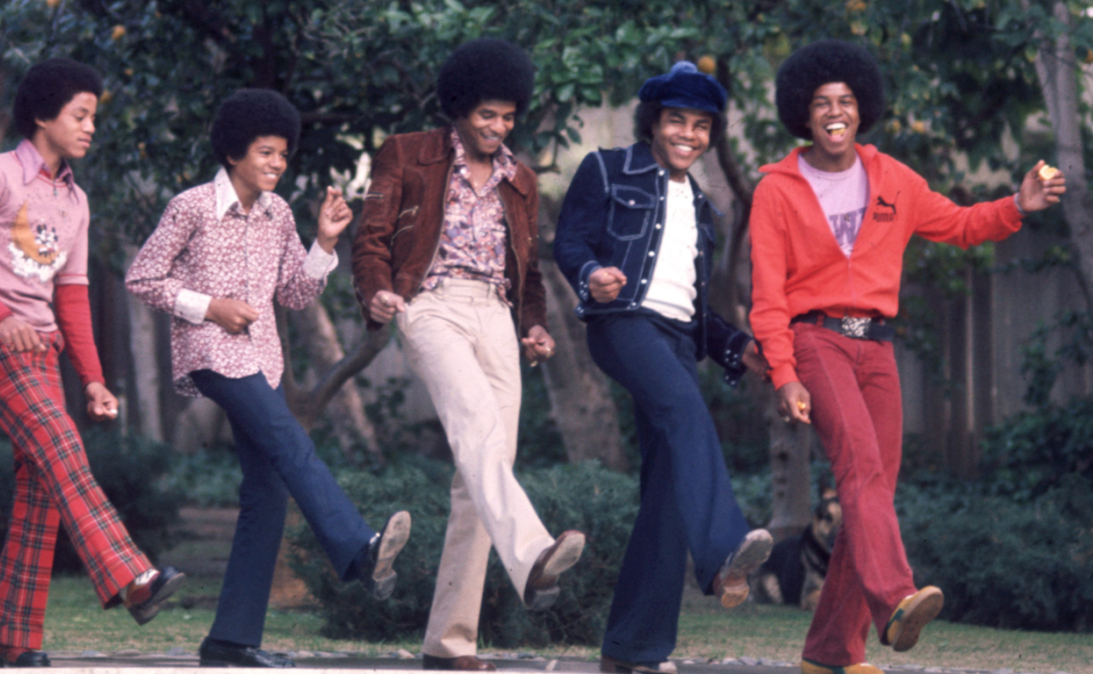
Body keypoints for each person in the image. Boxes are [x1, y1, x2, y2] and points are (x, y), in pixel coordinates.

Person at [748, 40, 1066, 674]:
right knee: (860, 468)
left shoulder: (893, 177)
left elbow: (961, 223)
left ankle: (829, 653)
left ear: (862, 108)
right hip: (816, 339)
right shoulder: (776, 190)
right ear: (802, 112)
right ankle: (896, 598)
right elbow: (767, 298)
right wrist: (783, 373)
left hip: (877, 347)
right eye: (821, 103)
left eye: (846, 101)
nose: (835, 112)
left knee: (873, 494)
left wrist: (1016, 205)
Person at [126, 89, 411, 669]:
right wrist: (211, 307)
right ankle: (358, 548)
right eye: (265, 152)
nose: (278, 163)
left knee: (267, 491)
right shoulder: (191, 207)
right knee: (288, 441)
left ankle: (230, 641)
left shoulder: (278, 213)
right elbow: (143, 277)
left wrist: (324, 242)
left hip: (264, 360)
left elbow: (295, 295)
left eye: (283, 153)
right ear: (234, 152)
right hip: (211, 353)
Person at [0, 57, 185, 668]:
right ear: (44, 116)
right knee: (60, 443)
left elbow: (72, 296)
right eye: (80, 115)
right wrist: (1, 318)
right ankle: (131, 576)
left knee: (43, 485)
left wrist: (93, 379)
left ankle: (5, 639)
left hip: (40, 348)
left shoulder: (76, 200)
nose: (90, 126)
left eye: (93, 117)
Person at [352, 38, 585, 672]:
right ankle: (533, 554)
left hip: (495, 315)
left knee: (483, 472)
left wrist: (534, 327)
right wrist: (377, 291)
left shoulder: (521, 181)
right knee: (478, 431)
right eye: (487, 114)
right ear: (458, 107)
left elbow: (527, 272)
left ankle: (448, 642)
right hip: (429, 304)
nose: (498, 127)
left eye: (507, 117)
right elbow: (371, 237)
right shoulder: (407, 153)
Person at [553, 61, 774, 674]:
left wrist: (735, 346)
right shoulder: (607, 168)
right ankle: (725, 551)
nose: (689, 135)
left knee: (668, 491)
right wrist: (590, 274)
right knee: (686, 412)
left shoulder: (703, 206)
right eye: (677, 120)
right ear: (653, 122)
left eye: (701, 126)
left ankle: (632, 649)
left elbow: (695, 308)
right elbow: (569, 241)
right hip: (623, 324)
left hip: (677, 343)